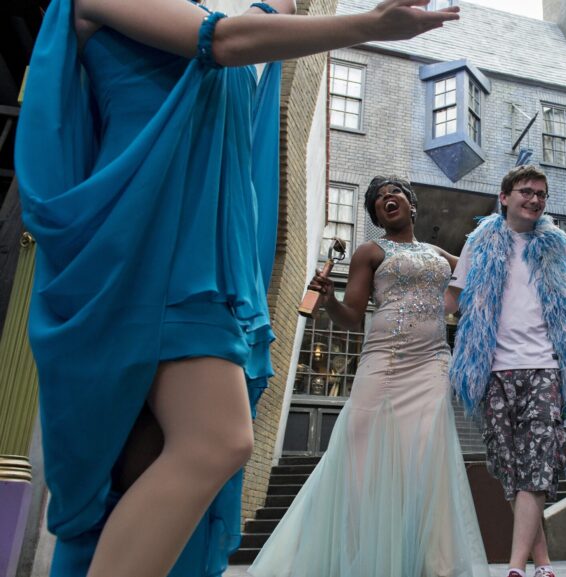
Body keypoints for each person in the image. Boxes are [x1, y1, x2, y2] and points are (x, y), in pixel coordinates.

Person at [14, 2, 458, 576]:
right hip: (143, 248)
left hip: (202, 263)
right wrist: (370, 25)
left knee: (142, 470)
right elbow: (219, 39)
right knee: (216, 440)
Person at [248, 177, 488, 577]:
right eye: (378, 199)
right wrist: (328, 300)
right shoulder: (369, 251)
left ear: (412, 205)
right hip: (384, 362)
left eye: (394, 192)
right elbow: (350, 317)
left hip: (431, 364)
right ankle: (356, 555)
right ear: (377, 214)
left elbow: (479, 278)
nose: (386, 199)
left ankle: (435, 563)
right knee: (360, 452)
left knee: (427, 458)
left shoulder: (437, 253)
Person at [446, 164, 566, 577]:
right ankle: (543, 562)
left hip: (544, 368)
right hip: (495, 371)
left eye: (541, 193)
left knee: (537, 466)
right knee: (511, 471)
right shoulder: (479, 243)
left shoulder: (554, 245)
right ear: (505, 197)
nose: (534, 199)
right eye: (526, 191)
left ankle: (515, 568)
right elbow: (453, 299)